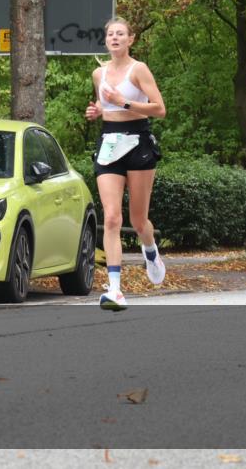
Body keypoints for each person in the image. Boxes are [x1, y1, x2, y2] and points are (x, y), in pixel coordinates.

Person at [85, 17, 167, 311]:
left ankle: (150, 250)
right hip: (109, 142)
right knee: (111, 218)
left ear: (131, 39)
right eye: (110, 34)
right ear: (106, 40)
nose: (115, 38)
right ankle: (115, 290)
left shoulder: (139, 69)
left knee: (138, 220)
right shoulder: (99, 73)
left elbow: (160, 109)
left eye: (121, 34)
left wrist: (124, 102)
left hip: (139, 141)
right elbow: (105, 109)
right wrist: (97, 112)